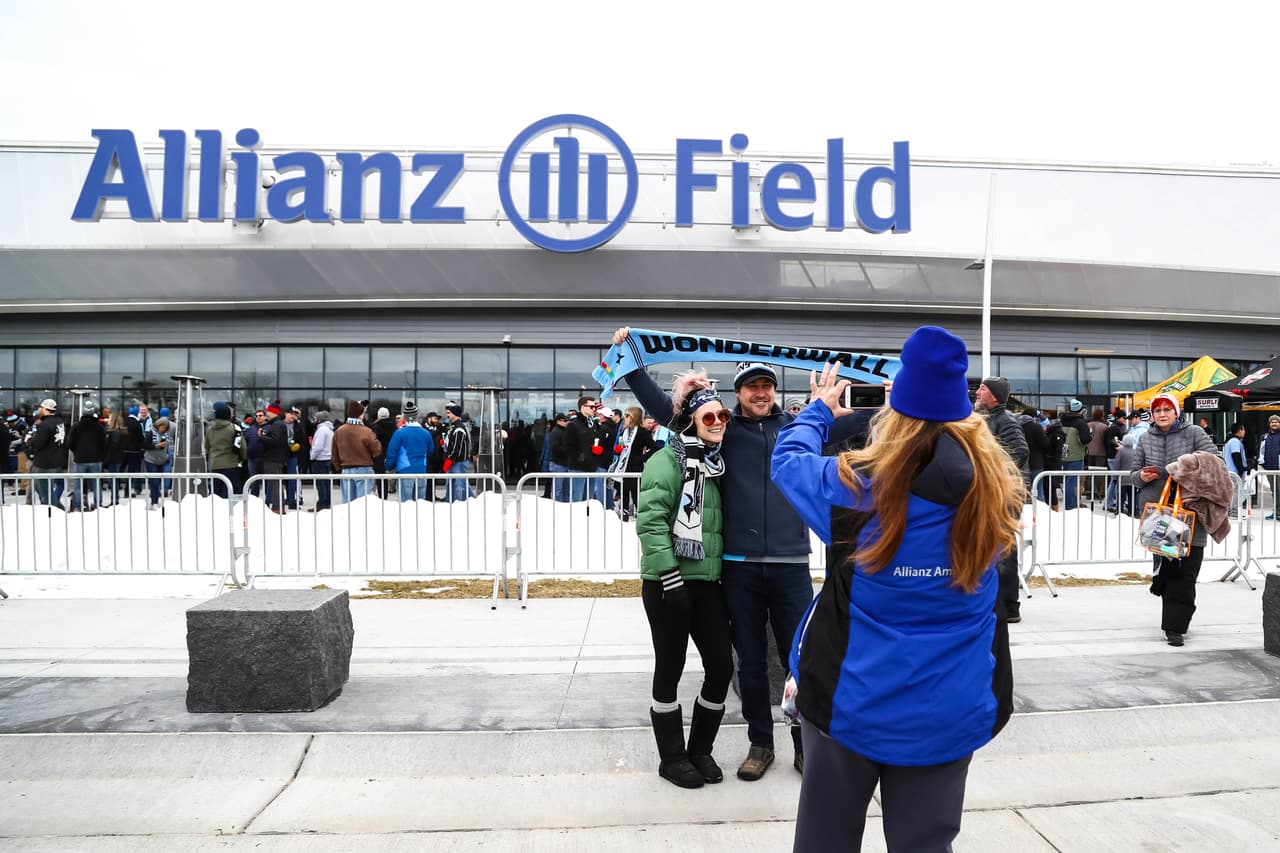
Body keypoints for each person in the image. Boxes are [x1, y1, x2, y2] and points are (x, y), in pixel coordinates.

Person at [771, 327, 1018, 853]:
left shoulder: (856, 488)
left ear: (895, 408)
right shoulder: (995, 490)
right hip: (951, 706)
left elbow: (787, 462)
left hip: (850, 704)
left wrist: (820, 410)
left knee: (826, 840)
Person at [612, 326, 870, 780]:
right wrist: (631, 362)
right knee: (749, 661)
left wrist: (904, 388)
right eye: (752, 387)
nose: (760, 394)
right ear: (739, 393)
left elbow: (864, 417)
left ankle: (803, 742)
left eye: (767, 387)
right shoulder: (722, 429)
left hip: (791, 565)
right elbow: (662, 408)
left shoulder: (798, 430)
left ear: (774, 392)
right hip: (738, 568)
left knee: (798, 659)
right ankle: (760, 743)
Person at [637, 370, 733, 789]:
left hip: (707, 583)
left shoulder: (716, 466)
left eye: (722, 416)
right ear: (691, 419)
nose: (716, 423)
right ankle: (671, 757)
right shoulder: (667, 460)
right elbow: (651, 522)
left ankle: (700, 750)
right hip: (668, 584)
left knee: (720, 667)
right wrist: (669, 576)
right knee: (670, 667)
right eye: (707, 416)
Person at [1128, 393, 1217, 647]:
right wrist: (1141, 477)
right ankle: (1174, 623)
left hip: (1190, 512)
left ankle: (1177, 622)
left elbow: (1214, 462)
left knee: (1188, 569)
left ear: (1177, 413)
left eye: (1167, 409)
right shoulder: (1145, 438)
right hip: (1159, 516)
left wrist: (1182, 469)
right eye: (1157, 411)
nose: (1162, 414)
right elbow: (1132, 474)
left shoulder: (1194, 434)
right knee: (1167, 568)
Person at [975, 377, 1029, 624]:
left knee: (1004, 548)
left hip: (1006, 493)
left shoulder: (1005, 419)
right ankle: (998, 601)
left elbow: (1020, 450)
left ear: (995, 396)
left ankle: (1009, 606)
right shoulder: (988, 419)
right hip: (994, 491)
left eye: (983, 389)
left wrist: (994, 471)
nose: (977, 392)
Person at [609, 405, 657, 520]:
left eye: (627, 415)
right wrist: (619, 450)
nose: (625, 417)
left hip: (635, 467)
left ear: (634, 417)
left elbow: (655, 448)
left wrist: (641, 458)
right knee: (623, 494)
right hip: (623, 467)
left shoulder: (643, 432)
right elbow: (620, 445)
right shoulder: (624, 430)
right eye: (625, 415)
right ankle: (624, 518)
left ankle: (641, 519)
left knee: (636, 495)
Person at [332, 401, 381, 503]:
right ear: (360, 415)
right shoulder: (366, 431)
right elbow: (377, 449)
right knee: (363, 503)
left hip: (346, 469)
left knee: (348, 504)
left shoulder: (339, 431)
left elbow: (334, 453)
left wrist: (338, 468)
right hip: (364, 468)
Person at [385, 401, 432, 501]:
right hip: (421, 470)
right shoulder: (426, 433)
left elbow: (392, 453)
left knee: (405, 505)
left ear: (405, 417)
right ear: (416, 416)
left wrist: (388, 467)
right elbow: (431, 450)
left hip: (404, 471)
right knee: (420, 503)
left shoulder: (399, 433)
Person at [565, 396, 608, 503]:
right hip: (578, 468)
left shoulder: (592, 423)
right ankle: (576, 519)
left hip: (591, 467)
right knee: (577, 500)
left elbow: (598, 439)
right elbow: (568, 446)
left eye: (595, 407)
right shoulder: (573, 425)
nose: (594, 409)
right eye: (591, 407)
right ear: (582, 407)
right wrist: (582, 457)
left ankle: (585, 519)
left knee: (588, 501)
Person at [26, 398, 68, 507]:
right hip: (55, 461)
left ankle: (56, 512)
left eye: (40, 407)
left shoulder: (45, 425)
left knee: (45, 494)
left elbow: (38, 444)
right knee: (41, 489)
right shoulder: (59, 422)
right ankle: (54, 510)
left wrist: (29, 440)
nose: (39, 409)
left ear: (45, 409)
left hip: (44, 464)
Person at [68, 400, 107, 512]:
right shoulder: (99, 427)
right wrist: (100, 453)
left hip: (80, 459)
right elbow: (104, 443)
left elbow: (70, 443)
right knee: (96, 484)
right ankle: (97, 505)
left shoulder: (76, 427)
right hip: (96, 459)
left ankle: (78, 505)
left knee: (78, 484)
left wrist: (77, 452)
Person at [204, 402, 246, 498]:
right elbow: (242, 447)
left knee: (216, 493)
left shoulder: (210, 429)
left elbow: (206, 447)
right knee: (232, 491)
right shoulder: (235, 428)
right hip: (231, 464)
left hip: (215, 464)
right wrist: (243, 459)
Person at [1059, 400, 1092, 510]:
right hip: (1076, 455)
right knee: (1072, 481)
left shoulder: (1063, 420)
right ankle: (1070, 506)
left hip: (1064, 454)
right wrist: (1091, 435)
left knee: (1068, 480)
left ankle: (1070, 504)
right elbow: (1085, 439)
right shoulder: (1081, 423)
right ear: (1081, 410)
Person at [258, 402, 289, 512]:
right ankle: (278, 506)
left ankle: (277, 507)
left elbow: (274, 440)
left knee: (275, 483)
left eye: (268, 411)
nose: (266, 413)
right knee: (276, 483)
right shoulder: (278, 424)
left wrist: (261, 437)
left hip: (273, 458)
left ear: (273, 412)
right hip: (276, 458)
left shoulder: (277, 425)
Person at [441, 402, 475, 502]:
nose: (448, 415)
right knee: (452, 482)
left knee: (460, 483)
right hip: (454, 461)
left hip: (458, 461)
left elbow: (457, 447)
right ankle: (451, 499)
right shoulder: (453, 427)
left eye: (450, 413)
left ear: (455, 414)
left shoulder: (459, 428)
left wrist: (450, 459)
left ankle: (461, 501)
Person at [1222, 422, 1249, 517]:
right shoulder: (1235, 442)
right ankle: (1234, 512)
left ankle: (1230, 511)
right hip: (1235, 472)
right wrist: (1241, 469)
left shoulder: (1230, 441)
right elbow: (1236, 456)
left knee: (1233, 491)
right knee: (1236, 492)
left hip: (1231, 472)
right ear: (1240, 430)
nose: (1245, 432)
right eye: (1243, 429)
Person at [309, 411, 334, 510]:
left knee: (321, 483)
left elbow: (318, 447)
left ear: (320, 420)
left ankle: (322, 504)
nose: (314, 420)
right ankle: (326, 503)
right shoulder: (329, 429)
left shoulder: (321, 430)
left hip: (320, 460)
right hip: (327, 459)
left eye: (315, 418)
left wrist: (312, 456)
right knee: (326, 483)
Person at [544, 412, 571, 502]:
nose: (567, 422)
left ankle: (565, 505)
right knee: (558, 489)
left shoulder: (564, 431)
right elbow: (554, 447)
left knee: (566, 489)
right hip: (558, 464)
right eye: (565, 420)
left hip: (564, 463)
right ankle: (558, 506)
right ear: (558, 421)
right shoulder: (556, 432)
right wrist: (567, 450)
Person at [1260, 415, 1280, 519]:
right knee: (1274, 491)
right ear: (1269, 423)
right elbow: (1261, 450)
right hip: (1269, 468)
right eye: (1272, 422)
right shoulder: (1265, 436)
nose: (1274, 423)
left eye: (1276, 422)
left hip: (1279, 468)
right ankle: (1276, 512)